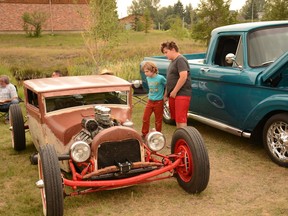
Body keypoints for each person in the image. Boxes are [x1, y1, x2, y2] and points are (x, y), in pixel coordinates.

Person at [160, 41, 192, 128]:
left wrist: (174, 91)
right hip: (172, 95)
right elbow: (169, 80)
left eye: (166, 52)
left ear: (173, 49)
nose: (165, 55)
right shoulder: (172, 62)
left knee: (181, 119)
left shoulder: (180, 60)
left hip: (181, 94)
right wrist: (166, 93)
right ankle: (179, 139)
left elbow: (183, 76)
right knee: (176, 119)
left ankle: (184, 140)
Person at [141, 61, 166, 139]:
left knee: (158, 120)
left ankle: (158, 134)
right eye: (144, 71)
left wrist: (165, 95)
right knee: (145, 118)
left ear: (153, 70)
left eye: (147, 71)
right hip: (150, 101)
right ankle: (144, 134)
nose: (145, 73)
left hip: (158, 102)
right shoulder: (148, 78)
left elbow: (167, 85)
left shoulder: (160, 78)